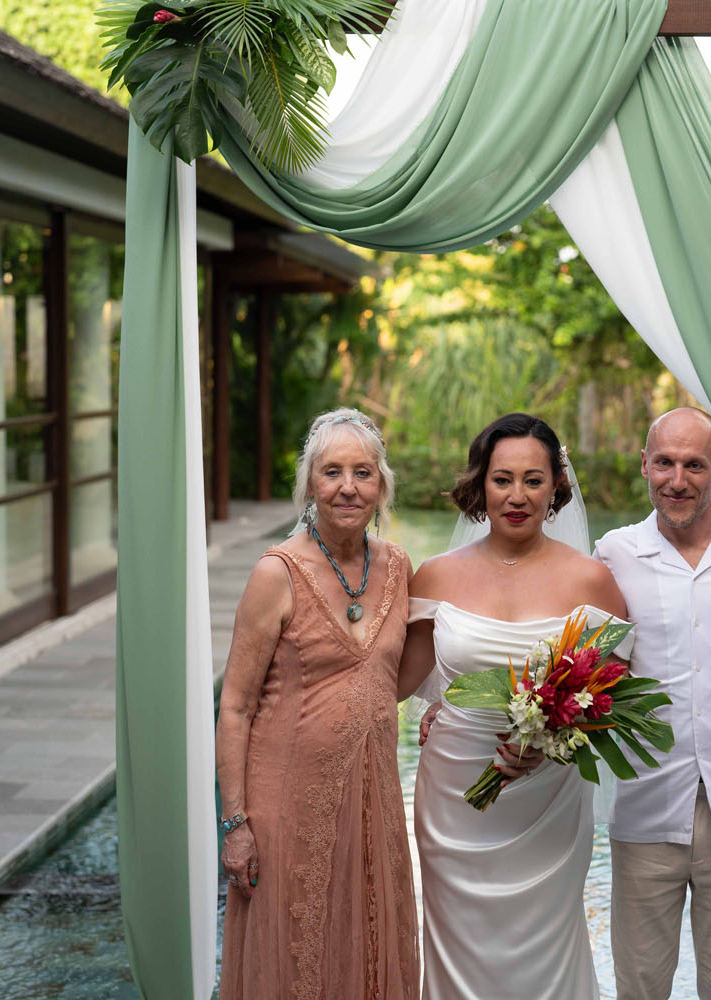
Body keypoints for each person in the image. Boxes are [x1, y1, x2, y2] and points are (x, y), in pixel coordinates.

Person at [400, 412, 631, 1000]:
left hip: (547, 803)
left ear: (557, 486)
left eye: (533, 479)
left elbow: (610, 694)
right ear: (481, 484)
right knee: (458, 948)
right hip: (455, 800)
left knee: (545, 949)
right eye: (503, 479)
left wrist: (552, 738)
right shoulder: (435, 577)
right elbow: (395, 682)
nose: (517, 495)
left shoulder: (592, 581)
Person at [215, 408, 418, 1000]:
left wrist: (441, 707)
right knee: (294, 954)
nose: (348, 487)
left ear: (381, 485)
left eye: (363, 472)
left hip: (374, 804)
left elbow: (391, 679)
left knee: (367, 946)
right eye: (332, 472)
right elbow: (234, 707)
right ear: (309, 484)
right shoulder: (275, 573)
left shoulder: (399, 567)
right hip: (285, 807)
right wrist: (236, 824)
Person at [592, 408, 711, 1000]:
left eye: (694, 464)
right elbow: (588, 658)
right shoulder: (615, 554)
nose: (678, 479)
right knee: (640, 985)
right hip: (647, 807)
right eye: (666, 463)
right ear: (645, 466)